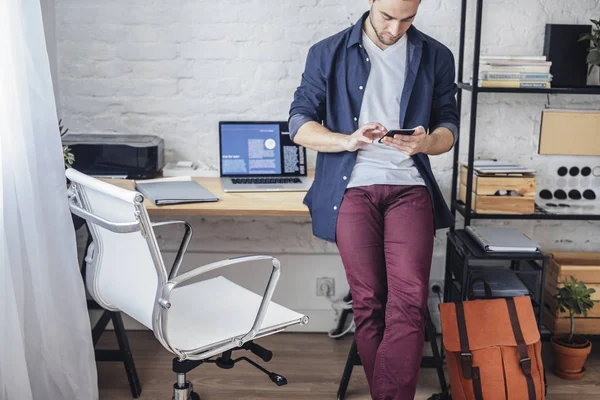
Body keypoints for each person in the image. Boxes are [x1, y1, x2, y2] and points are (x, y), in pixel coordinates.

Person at [288, 0, 458, 398]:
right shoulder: (326, 53)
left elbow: (448, 124)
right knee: (368, 301)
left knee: (410, 301)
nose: (396, 29)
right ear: (371, 3)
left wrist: (426, 142)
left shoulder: (435, 55)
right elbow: (299, 123)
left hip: (408, 188)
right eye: (388, 17)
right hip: (352, 188)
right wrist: (346, 140)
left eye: (408, 19)